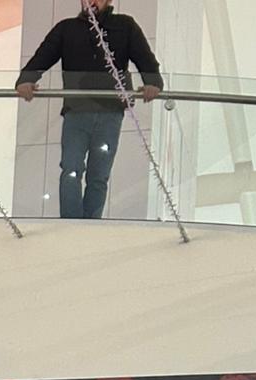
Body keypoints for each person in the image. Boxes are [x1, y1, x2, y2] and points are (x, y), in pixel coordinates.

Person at [16, 0, 163, 220]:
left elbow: (146, 59)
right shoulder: (67, 28)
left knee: (99, 174)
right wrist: (26, 80)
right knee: (71, 168)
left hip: (110, 111)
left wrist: (153, 83)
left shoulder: (124, 26)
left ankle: (91, 224)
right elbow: (42, 57)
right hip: (77, 110)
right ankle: (72, 222)